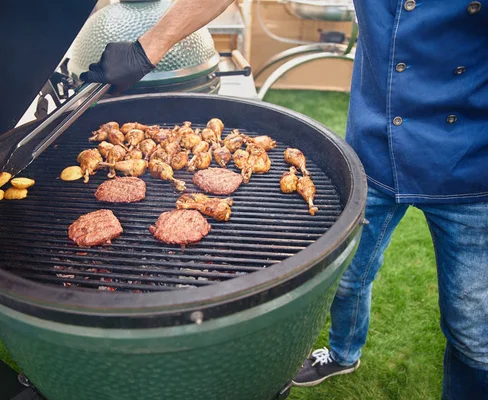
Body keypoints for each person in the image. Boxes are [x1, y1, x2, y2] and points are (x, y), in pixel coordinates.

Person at [82, 0, 488, 398]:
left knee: (473, 332)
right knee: (345, 278)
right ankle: (345, 354)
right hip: (375, 148)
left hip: (469, 161)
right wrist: (145, 49)